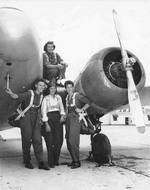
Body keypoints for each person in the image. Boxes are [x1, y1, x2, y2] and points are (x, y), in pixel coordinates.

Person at [5, 78, 50, 170]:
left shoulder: (42, 95)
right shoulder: (30, 93)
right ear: (36, 85)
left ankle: (41, 162)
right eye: (40, 85)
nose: (42, 87)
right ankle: (27, 161)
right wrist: (10, 93)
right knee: (26, 140)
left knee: (38, 140)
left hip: (36, 117)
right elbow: (17, 96)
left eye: (43, 86)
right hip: (26, 117)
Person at [64, 80, 92, 169]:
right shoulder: (67, 97)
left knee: (73, 140)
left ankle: (77, 161)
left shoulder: (77, 96)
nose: (69, 89)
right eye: (67, 87)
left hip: (76, 118)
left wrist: (81, 109)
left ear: (73, 87)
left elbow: (89, 102)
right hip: (68, 118)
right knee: (68, 140)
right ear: (65, 88)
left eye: (70, 87)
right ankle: (73, 159)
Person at [41, 81, 66, 168]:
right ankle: (51, 162)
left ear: (56, 89)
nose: (53, 90)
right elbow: (43, 112)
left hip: (58, 118)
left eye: (54, 88)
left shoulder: (58, 97)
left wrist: (62, 115)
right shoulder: (46, 98)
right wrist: (46, 124)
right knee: (49, 141)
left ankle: (56, 160)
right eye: (51, 88)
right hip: (49, 118)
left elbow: (62, 107)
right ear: (49, 89)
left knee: (58, 140)